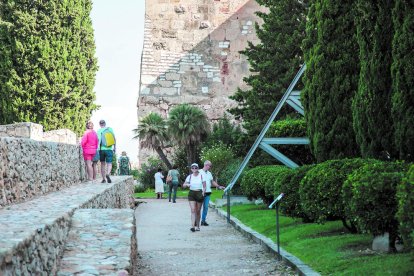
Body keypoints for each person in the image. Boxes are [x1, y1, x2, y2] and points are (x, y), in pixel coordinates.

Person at [199, 160, 225, 226]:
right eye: (209, 166)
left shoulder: (209, 173)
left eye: (210, 166)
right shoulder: (199, 172)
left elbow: (212, 181)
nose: (210, 167)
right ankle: (196, 221)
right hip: (200, 192)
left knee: (206, 207)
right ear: (206, 165)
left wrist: (219, 186)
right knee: (198, 208)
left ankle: (203, 221)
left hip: (208, 192)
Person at [183, 163, 206, 232]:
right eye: (193, 168)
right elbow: (184, 185)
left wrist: (203, 192)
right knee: (193, 210)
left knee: (198, 211)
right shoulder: (189, 176)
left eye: (195, 168)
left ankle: (198, 226)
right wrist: (186, 184)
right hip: (192, 193)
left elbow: (204, 186)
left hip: (199, 193)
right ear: (191, 169)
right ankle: (193, 226)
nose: (194, 169)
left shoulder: (201, 176)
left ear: (198, 168)